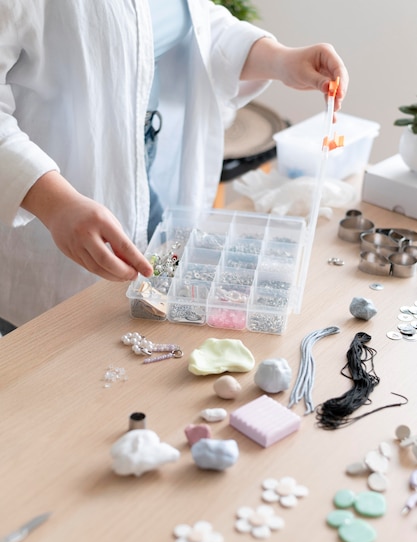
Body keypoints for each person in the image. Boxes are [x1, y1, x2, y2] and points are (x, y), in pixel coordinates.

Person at [0, 0, 349, 328]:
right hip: (50, 203)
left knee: (147, 311)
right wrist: (55, 203)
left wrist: (280, 60)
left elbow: (188, 25)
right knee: (59, 349)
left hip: (148, 183)